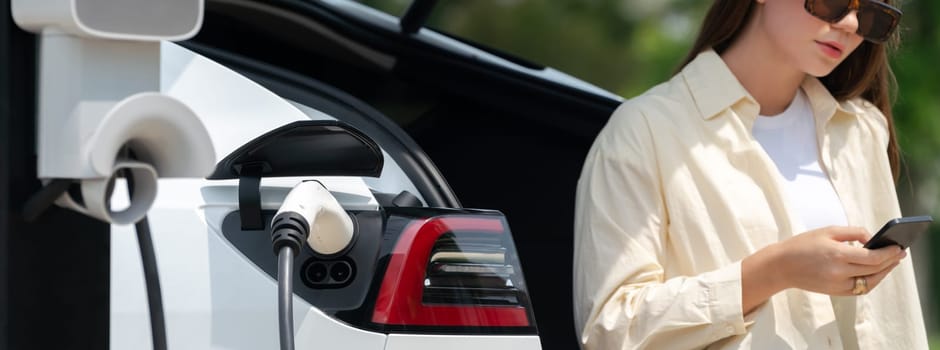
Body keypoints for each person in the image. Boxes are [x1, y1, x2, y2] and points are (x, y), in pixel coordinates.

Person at [572, 0, 927, 349]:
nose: (850, 25)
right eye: (832, 2)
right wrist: (774, 270)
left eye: (870, 15)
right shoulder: (644, 131)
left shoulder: (861, 130)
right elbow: (611, 330)